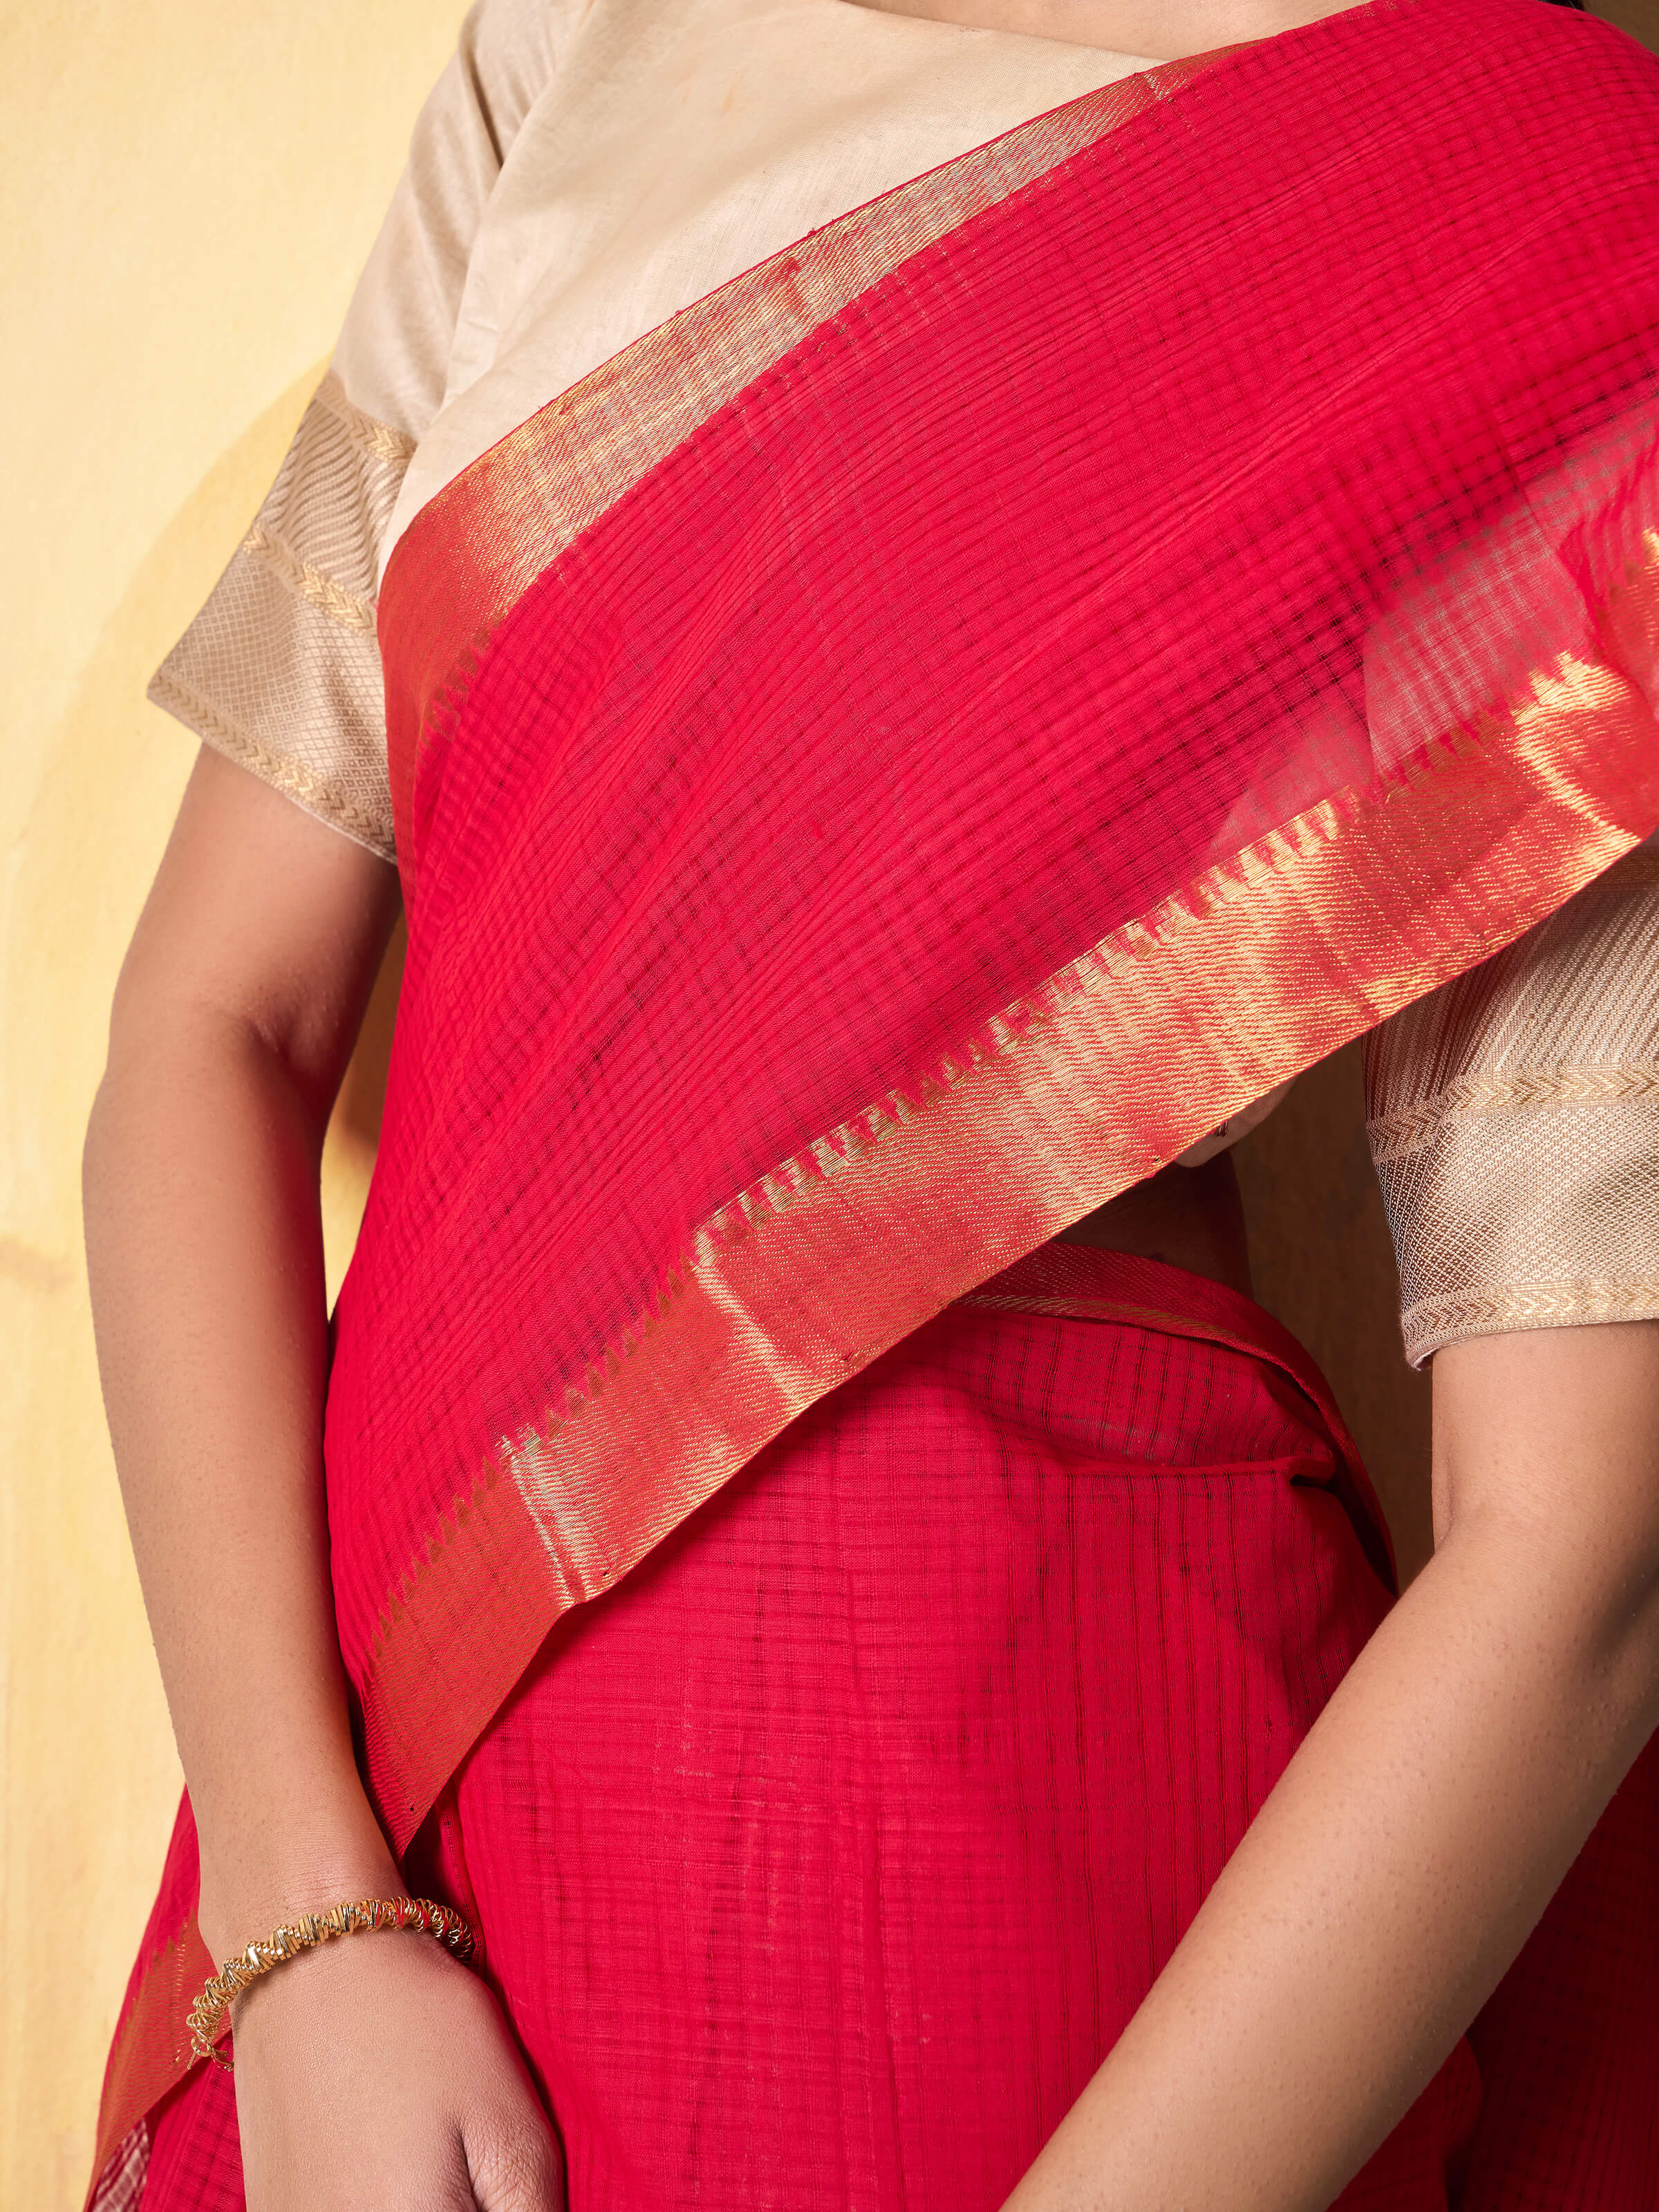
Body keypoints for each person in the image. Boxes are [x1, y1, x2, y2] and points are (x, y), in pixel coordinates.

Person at [82, 0, 1659, 2204]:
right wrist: (303, 1919)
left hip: (1021, 1792)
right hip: (392, 1778)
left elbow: (1583, 1536)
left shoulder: (1546, 183)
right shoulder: (576, 50)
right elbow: (212, 1025)